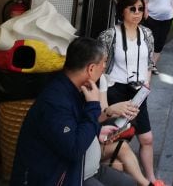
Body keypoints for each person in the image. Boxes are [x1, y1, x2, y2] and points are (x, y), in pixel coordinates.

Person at [10, 37, 133, 186]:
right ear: (91, 68)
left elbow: (77, 125)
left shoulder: (75, 87)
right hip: (55, 177)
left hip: (79, 169)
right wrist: (94, 105)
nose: (104, 67)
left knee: (127, 182)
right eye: (104, 63)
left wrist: (99, 129)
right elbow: (74, 149)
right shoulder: (55, 101)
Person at [97, 0, 164, 186]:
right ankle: (114, 176)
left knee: (147, 137)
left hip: (138, 91)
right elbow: (99, 65)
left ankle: (151, 179)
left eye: (140, 9)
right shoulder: (110, 35)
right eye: (132, 9)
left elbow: (150, 63)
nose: (137, 13)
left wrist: (146, 84)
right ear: (122, 11)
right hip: (114, 90)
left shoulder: (147, 34)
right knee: (115, 137)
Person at [141, 0, 173, 74]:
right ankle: (144, 63)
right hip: (152, 18)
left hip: (167, 19)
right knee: (149, 41)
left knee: (160, 42)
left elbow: (171, 1)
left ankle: (153, 65)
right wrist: (146, 15)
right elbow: (144, 1)